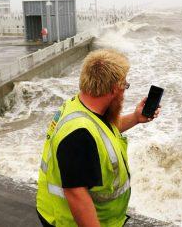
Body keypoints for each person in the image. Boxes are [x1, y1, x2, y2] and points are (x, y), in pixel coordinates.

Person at [36, 49, 161, 227]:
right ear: (113, 89)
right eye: (124, 85)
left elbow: (102, 131)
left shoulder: (81, 105)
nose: (125, 91)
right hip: (68, 221)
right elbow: (76, 195)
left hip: (54, 209)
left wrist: (135, 118)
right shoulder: (79, 136)